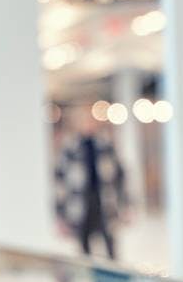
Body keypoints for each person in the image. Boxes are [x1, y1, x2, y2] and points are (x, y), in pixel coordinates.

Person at [53, 105, 131, 259]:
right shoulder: (70, 149)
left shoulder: (105, 146)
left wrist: (126, 204)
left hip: (105, 201)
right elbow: (60, 183)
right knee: (84, 249)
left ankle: (112, 281)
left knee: (110, 247)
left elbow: (120, 177)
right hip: (80, 204)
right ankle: (92, 280)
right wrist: (60, 214)